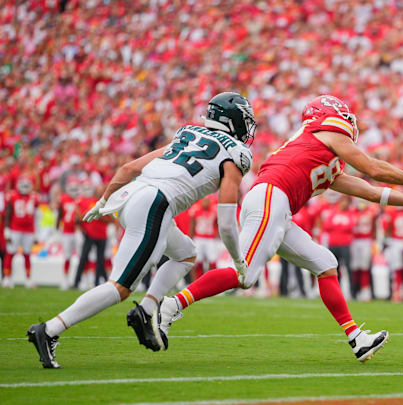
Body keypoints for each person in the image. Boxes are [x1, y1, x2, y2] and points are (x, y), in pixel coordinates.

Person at [155, 95, 403, 363]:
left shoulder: (319, 153)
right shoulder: (327, 130)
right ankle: (171, 305)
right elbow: (373, 169)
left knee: (325, 264)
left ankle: (357, 339)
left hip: (276, 205)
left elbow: (373, 192)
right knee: (244, 275)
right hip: (272, 197)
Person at [26, 92, 256, 368]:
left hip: (130, 196)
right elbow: (227, 223)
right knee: (120, 288)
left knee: (185, 253)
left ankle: (147, 309)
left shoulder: (188, 133)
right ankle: (49, 329)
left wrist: (103, 201)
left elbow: (129, 168)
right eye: (244, 119)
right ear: (232, 122)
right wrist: (238, 260)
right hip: (156, 204)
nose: (248, 125)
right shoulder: (235, 154)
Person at [4, 177, 38, 289]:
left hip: (29, 230)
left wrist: (36, 232)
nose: (24, 188)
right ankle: (7, 278)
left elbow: (36, 216)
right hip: (15, 229)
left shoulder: (33, 197)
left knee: (27, 254)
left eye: (26, 186)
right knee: (10, 253)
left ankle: (28, 279)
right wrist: (7, 229)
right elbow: (8, 213)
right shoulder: (13, 196)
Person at [57, 179, 81, 290]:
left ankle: (83, 280)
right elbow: (60, 213)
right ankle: (65, 279)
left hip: (78, 231)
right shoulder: (63, 199)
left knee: (82, 256)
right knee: (67, 256)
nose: (73, 191)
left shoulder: (80, 199)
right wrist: (57, 227)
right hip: (66, 231)